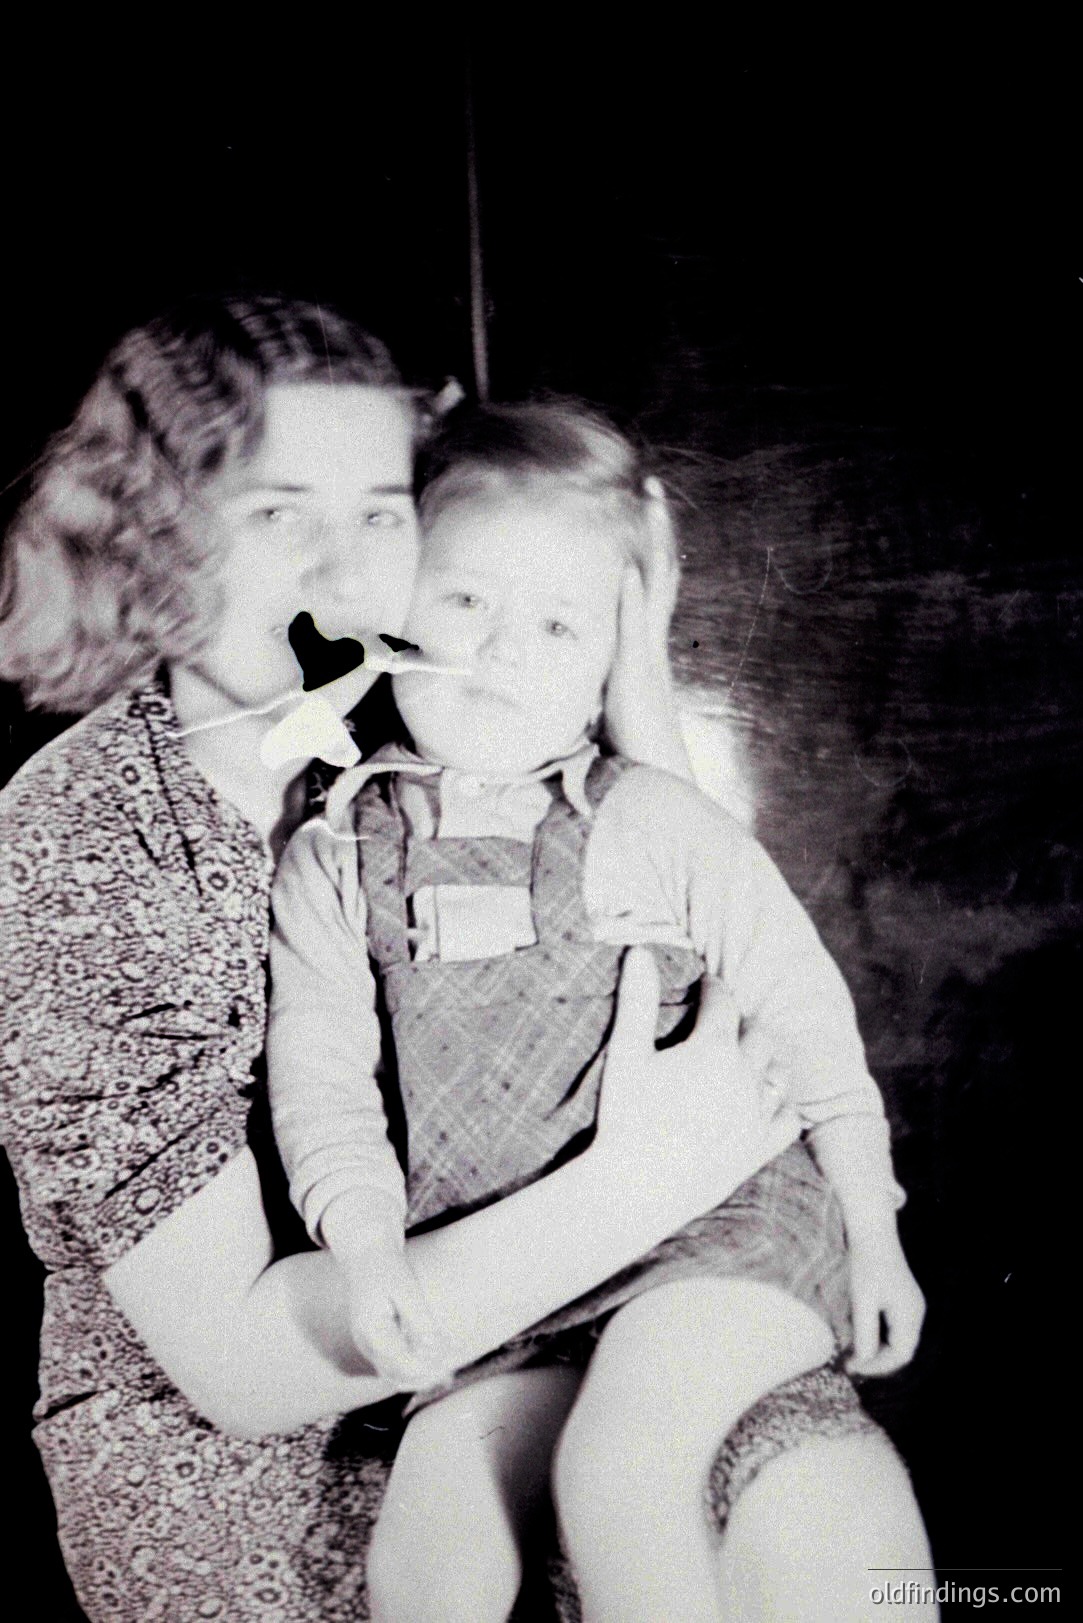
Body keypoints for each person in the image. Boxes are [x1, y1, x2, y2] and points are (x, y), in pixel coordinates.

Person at [0, 296, 933, 1623]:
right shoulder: (82, 835)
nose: (343, 564)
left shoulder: (417, 684)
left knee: (841, 1531)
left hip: (575, 1299)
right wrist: (644, 1172)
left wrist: (626, 676)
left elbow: (680, 921)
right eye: (277, 512)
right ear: (157, 532)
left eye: (380, 510)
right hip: (277, 1435)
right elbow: (242, 1366)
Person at [266, 401, 929, 1622]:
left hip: (723, 1250)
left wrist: (877, 1233)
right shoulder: (336, 857)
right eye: (466, 603)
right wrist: (366, 1250)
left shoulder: (650, 820)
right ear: (396, 605)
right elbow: (322, 1082)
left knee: (622, 1467)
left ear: (609, 658)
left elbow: (804, 1017)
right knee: (429, 1542)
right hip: (524, 1282)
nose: (506, 653)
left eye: (559, 624)